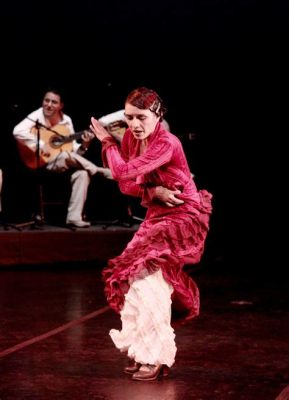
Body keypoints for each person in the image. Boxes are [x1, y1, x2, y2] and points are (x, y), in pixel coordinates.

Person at [89, 87, 213, 381]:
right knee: (134, 281)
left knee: (150, 280)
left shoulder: (167, 143)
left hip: (183, 216)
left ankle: (156, 356)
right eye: (129, 117)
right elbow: (126, 185)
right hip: (157, 213)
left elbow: (120, 173)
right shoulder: (133, 139)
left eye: (141, 117)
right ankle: (142, 350)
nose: (134, 124)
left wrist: (107, 141)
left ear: (157, 114)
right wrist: (153, 190)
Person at [12, 88, 112, 228]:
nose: (49, 105)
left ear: (60, 105)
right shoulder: (37, 115)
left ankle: (73, 217)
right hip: (42, 163)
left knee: (82, 173)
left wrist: (85, 144)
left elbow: (74, 153)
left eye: (54, 102)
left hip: (63, 163)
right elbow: (17, 131)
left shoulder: (66, 121)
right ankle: (99, 171)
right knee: (65, 155)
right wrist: (41, 144)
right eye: (46, 100)